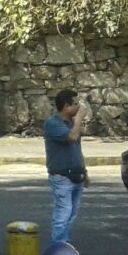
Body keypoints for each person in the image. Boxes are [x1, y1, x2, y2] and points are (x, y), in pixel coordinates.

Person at [44, 88, 88, 242]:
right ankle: (58, 250)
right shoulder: (53, 123)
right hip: (62, 177)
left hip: (76, 175)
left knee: (72, 214)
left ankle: (64, 245)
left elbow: (77, 149)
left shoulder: (71, 124)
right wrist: (78, 121)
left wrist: (85, 171)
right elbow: (72, 138)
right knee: (63, 213)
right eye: (75, 104)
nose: (79, 107)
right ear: (66, 107)